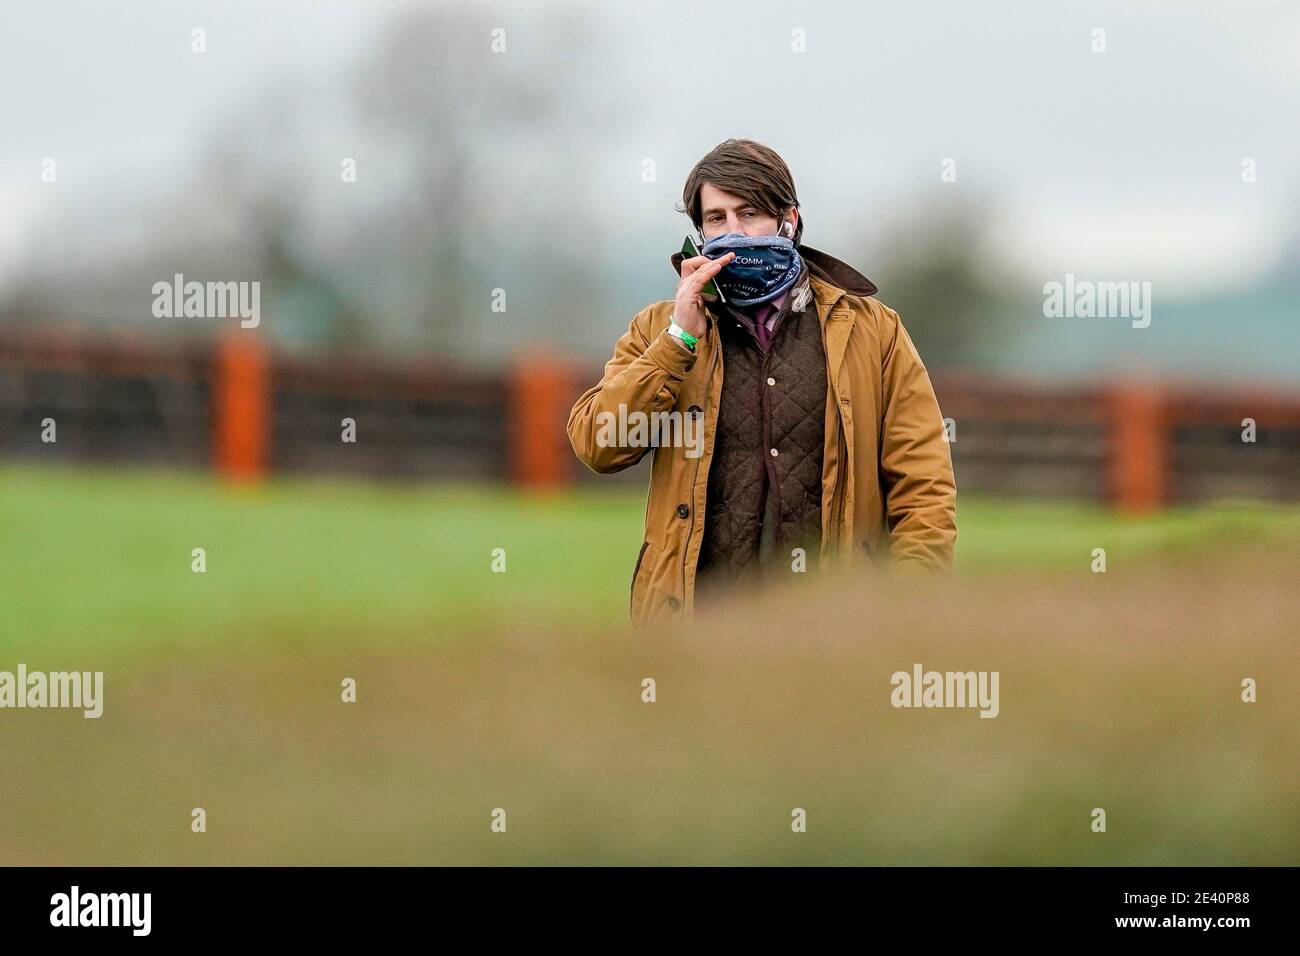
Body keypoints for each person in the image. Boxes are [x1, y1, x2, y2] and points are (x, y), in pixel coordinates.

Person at [567, 138, 957, 626]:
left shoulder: (873, 331)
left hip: (833, 631)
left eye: (749, 213)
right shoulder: (658, 330)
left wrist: (909, 605)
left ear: (789, 219)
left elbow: (924, 486)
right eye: (717, 218)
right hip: (696, 628)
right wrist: (677, 342)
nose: (734, 231)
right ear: (699, 234)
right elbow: (599, 445)